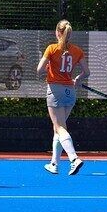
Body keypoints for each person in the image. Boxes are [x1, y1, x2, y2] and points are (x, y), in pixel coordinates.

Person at [37, 19, 90, 175]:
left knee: (59, 127)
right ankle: (54, 163)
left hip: (55, 90)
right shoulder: (77, 51)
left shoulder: (52, 49)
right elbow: (86, 72)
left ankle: (74, 158)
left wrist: (48, 68)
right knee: (59, 129)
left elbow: (39, 69)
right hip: (70, 92)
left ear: (57, 32)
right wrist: (77, 79)